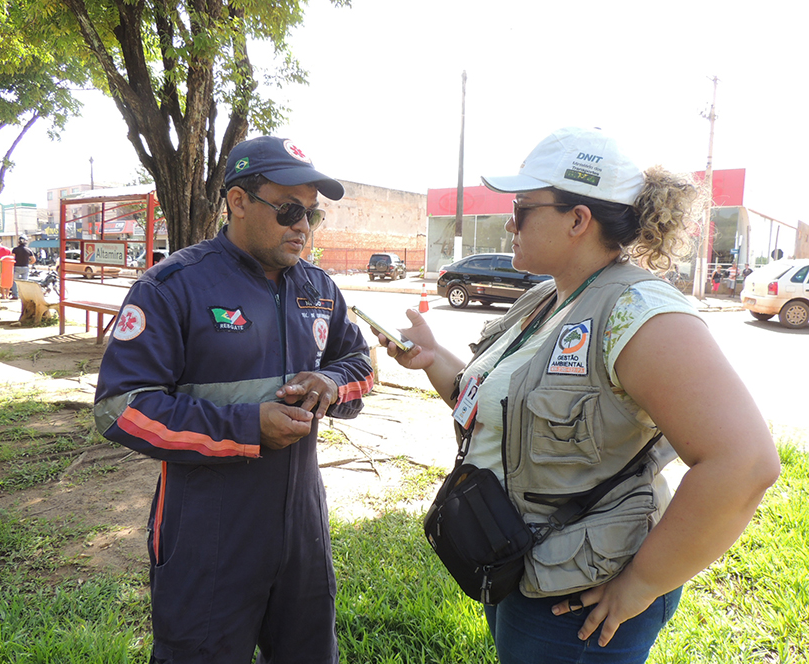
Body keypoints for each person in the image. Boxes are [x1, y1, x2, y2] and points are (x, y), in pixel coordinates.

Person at [373, 127, 779, 664]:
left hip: (581, 597)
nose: (507, 222)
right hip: (524, 563)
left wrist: (640, 586)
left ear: (577, 219)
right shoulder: (549, 296)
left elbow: (745, 463)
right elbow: (500, 412)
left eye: (521, 208)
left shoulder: (637, 312)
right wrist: (432, 360)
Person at [94, 136, 374, 663]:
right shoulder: (172, 287)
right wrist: (246, 428)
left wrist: (332, 385)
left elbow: (360, 366)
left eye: (313, 215)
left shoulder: (319, 289)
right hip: (207, 536)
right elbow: (121, 407)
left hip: (303, 534)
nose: (302, 227)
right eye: (289, 209)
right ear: (238, 201)